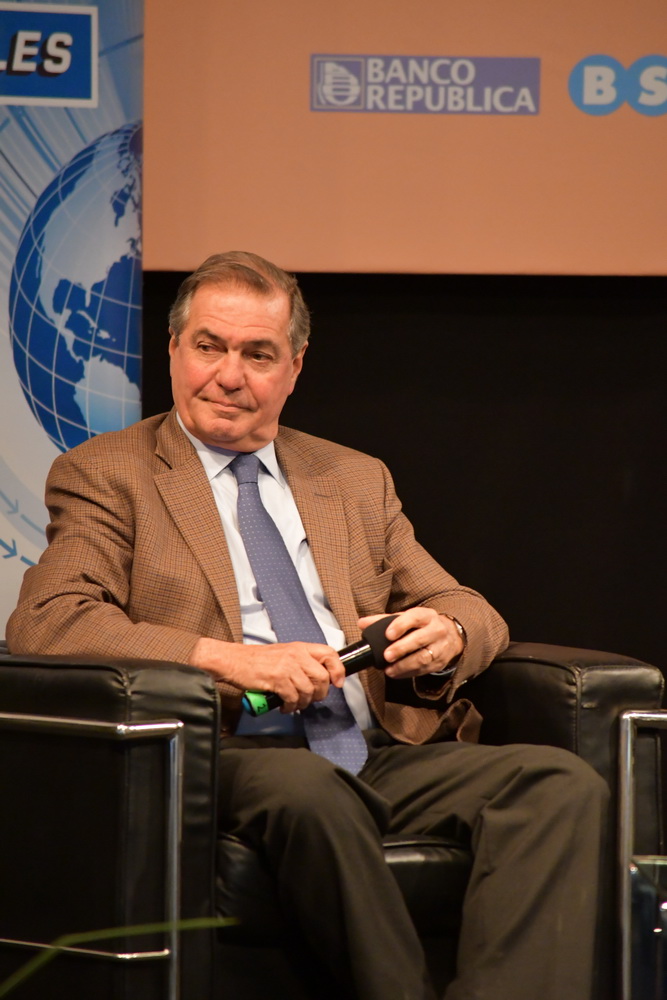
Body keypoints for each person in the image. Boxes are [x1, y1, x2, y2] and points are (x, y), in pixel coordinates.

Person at [7, 252, 609, 1000]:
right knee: (308, 789)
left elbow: (467, 605)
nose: (228, 375)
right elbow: (50, 621)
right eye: (208, 346)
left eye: (258, 355)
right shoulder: (109, 474)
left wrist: (447, 635)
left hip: (373, 750)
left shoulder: (352, 478)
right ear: (173, 349)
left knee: (558, 785)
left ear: (293, 368)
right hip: (228, 752)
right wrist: (227, 660)